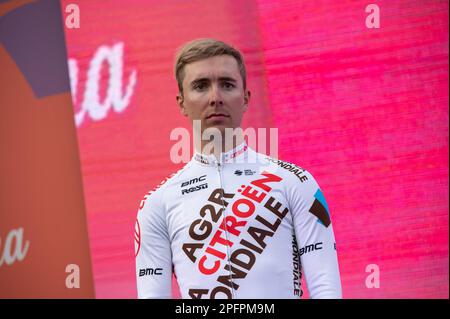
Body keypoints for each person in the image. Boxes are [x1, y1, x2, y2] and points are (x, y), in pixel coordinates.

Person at [135, 38, 342, 299]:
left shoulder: (296, 182)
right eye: (200, 86)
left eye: (227, 84)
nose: (216, 97)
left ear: (245, 98)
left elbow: (327, 289)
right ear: (181, 103)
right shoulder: (157, 204)